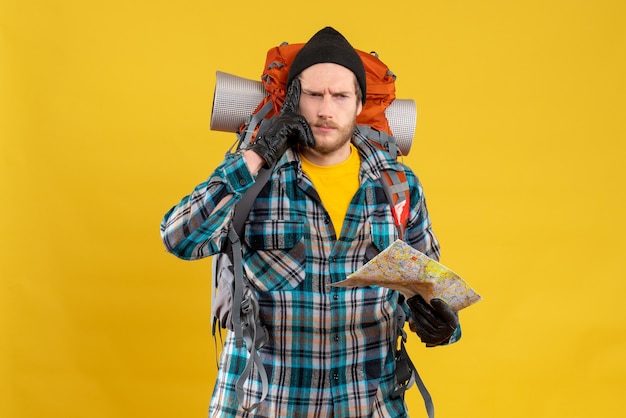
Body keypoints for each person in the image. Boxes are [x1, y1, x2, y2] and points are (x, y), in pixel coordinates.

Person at [160, 26, 461, 418]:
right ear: (292, 101)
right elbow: (178, 238)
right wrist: (258, 152)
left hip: (369, 405)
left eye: (339, 96)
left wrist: (442, 324)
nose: (324, 109)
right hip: (267, 405)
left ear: (358, 104)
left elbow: (435, 289)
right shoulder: (255, 177)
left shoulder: (397, 185)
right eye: (313, 94)